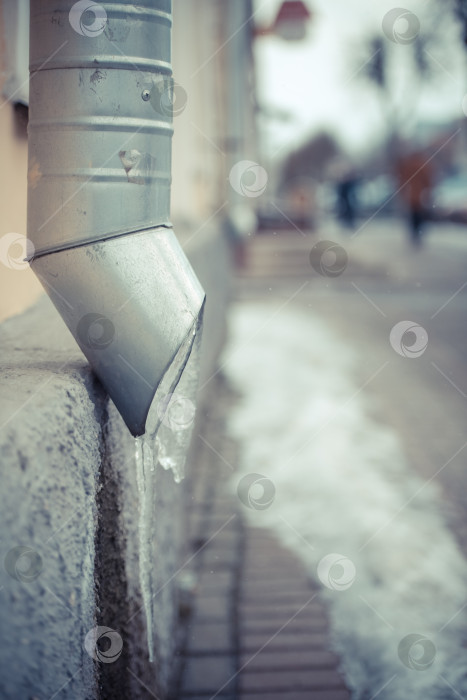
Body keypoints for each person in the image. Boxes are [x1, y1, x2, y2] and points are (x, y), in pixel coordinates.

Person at [396, 150, 433, 247]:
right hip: (418, 194)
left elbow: (402, 178)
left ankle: (415, 233)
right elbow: (427, 179)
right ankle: (417, 232)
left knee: (414, 214)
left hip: (412, 193)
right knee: (418, 214)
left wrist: (403, 191)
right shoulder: (422, 164)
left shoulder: (408, 165)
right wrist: (428, 190)